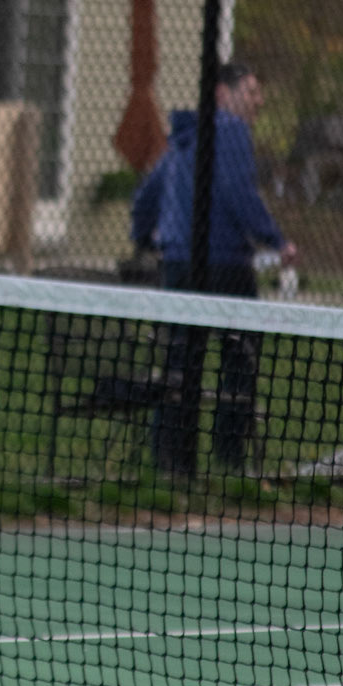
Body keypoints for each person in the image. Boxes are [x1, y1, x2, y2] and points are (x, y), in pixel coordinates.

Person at [130, 63, 295, 471]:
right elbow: (239, 192)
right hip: (226, 267)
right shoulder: (232, 130)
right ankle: (229, 460)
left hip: (178, 267)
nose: (258, 101)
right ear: (223, 94)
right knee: (240, 358)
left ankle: (172, 463)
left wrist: (146, 239)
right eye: (251, 92)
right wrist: (277, 240)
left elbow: (146, 198)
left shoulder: (184, 138)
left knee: (179, 361)